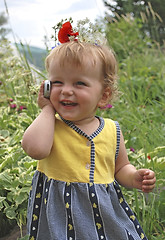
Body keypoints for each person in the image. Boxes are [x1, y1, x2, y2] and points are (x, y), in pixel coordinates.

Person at [22, 36, 156, 240]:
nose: (66, 90)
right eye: (57, 82)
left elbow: (120, 168)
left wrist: (134, 176)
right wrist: (47, 109)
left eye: (79, 83)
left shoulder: (112, 130)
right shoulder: (50, 126)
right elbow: (35, 149)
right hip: (59, 217)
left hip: (103, 214)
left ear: (103, 96)